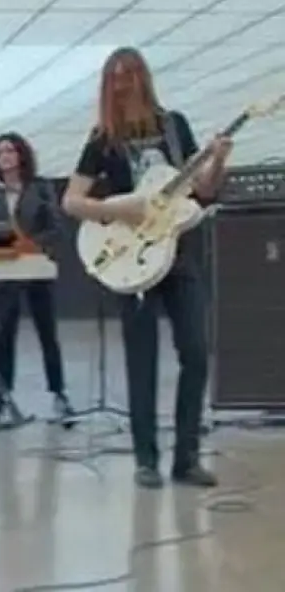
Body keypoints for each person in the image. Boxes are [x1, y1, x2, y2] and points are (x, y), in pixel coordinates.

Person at [61, 47, 229, 489]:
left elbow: (203, 192)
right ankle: (146, 460)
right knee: (142, 359)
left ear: (144, 77)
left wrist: (218, 158)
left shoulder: (174, 126)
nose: (124, 83)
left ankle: (187, 458)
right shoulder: (103, 139)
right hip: (131, 258)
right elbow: (71, 201)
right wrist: (120, 210)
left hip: (178, 253)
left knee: (195, 352)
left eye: (130, 74)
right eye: (115, 77)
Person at [0, 132, 72, 422]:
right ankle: (0, 394)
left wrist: (32, 244)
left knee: (47, 333)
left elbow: (56, 228)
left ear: (22, 155)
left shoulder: (40, 187)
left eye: (10, 151)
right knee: (2, 334)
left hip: (36, 266)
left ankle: (59, 393)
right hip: (5, 269)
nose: (5, 156)